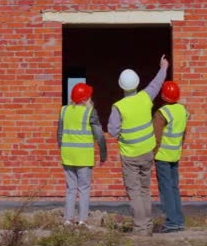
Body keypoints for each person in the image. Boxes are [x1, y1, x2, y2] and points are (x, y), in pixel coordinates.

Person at [107, 55, 169, 236]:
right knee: (145, 189)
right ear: (137, 83)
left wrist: (123, 135)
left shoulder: (118, 106)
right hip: (147, 152)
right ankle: (147, 226)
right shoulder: (145, 97)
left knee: (134, 191)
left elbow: (112, 130)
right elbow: (156, 84)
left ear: (120, 85)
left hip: (130, 155)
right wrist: (163, 67)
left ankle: (141, 229)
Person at [57, 83, 107, 227]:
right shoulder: (90, 112)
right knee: (84, 188)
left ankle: (68, 219)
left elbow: (59, 134)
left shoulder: (64, 111)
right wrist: (103, 155)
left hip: (68, 155)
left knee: (70, 188)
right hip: (84, 156)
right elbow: (99, 136)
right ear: (86, 98)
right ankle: (82, 221)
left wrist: (63, 149)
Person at [153, 81, 189, 233]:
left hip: (162, 156)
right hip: (175, 154)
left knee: (166, 188)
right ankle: (178, 220)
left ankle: (172, 221)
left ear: (163, 96)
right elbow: (184, 134)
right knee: (174, 187)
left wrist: (152, 153)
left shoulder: (162, 113)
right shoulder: (183, 110)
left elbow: (156, 136)